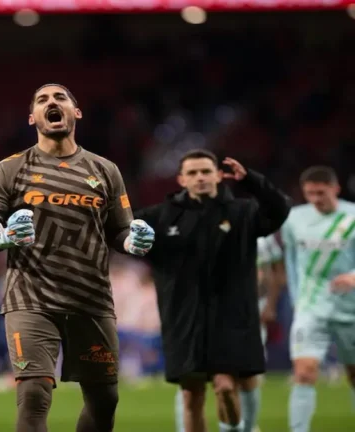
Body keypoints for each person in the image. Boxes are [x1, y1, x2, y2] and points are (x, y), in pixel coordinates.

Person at [0, 83, 155, 432]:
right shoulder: (8, 170)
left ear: (76, 112)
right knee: (34, 395)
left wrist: (134, 243)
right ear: (32, 118)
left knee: (105, 400)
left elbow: (120, 231)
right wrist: (4, 236)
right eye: (42, 100)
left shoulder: (105, 170)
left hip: (91, 298)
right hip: (31, 298)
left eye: (60, 98)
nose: (51, 103)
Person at [134, 149, 290, 432]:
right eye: (192, 173)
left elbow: (279, 210)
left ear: (219, 175)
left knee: (226, 386)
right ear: (181, 179)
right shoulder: (161, 217)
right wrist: (130, 243)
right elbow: (123, 233)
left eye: (206, 171)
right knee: (191, 395)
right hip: (183, 319)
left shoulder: (243, 212)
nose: (200, 177)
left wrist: (252, 181)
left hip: (231, 317)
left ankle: (233, 429)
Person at [173, 232, 284, 432]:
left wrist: (269, 305)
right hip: (202, 316)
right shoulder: (193, 229)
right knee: (191, 380)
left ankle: (246, 426)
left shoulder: (260, 237)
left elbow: (274, 271)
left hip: (248, 314)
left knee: (245, 376)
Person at [281, 166, 355, 432]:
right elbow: (290, 260)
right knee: (303, 372)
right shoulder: (294, 219)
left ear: (335, 189)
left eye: (321, 193)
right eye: (309, 193)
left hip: (351, 309)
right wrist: (296, 297)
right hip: (311, 308)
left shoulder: (353, 216)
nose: (315, 199)